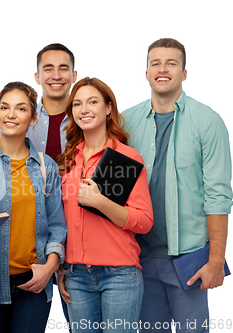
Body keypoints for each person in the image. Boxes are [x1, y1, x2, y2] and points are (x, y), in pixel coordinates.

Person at [122, 38, 233, 332]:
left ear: (184, 72)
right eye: (155, 63)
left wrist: (215, 261)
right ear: (146, 73)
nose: (163, 69)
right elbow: (113, 193)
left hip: (189, 260)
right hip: (139, 259)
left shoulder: (208, 121)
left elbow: (218, 197)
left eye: (171, 63)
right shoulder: (126, 122)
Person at [56, 77, 153, 333]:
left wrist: (101, 202)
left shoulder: (125, 157)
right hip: (75, 276)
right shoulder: (68, 160)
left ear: (108, 108)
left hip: (119, 275)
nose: (84, 109)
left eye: (92, 102)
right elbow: (60, 222)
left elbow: (144, 221)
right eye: (77, 104)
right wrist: (61, 265)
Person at [0, 82, 67, 333]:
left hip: (34, 283)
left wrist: (49, 268)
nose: (11, 114)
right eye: (5, 107)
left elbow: (57, 226)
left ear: (33, 118)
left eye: (21, 108)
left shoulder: (45, 166)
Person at [0, 43, 77, 162]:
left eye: (63, 69)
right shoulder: (21, 118)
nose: (56, 76)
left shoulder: (85, 118)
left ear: (74, 76)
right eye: (48, 69)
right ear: (37, 77)